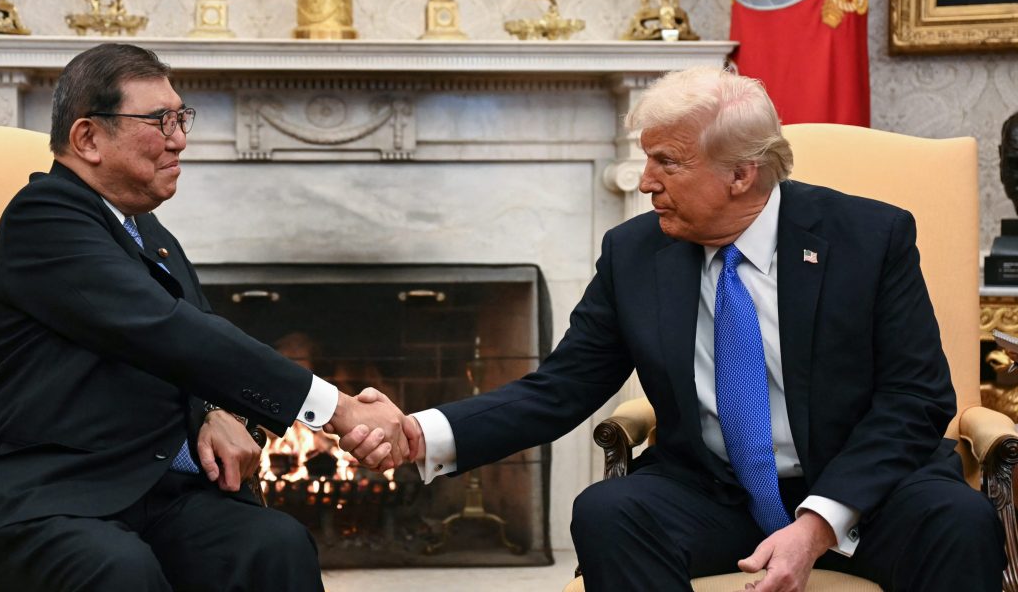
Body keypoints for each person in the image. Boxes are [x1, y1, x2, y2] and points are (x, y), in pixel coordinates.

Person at [347, 66, 1006, 591]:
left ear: (742, 173)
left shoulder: (868, 237)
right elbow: (562, 388)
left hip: (867, 492)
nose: (644, 183)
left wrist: (818, 523)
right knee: (609, 513)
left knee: (959, 521)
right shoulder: (635, 253)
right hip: (715, 493)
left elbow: (915, 399)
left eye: (667, 162)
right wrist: (421, 433)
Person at [0, 43, 409, 592]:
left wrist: (215, 411)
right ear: (88, 138)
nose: (180, 138)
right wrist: (338, 410)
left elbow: (200, 351)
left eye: (181, 118)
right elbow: (168, 331)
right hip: (41, 498)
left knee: (274, 543)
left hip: (152, 495)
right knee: (120, 569)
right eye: (160, 120)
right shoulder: (43, 220)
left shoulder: (150, 234)